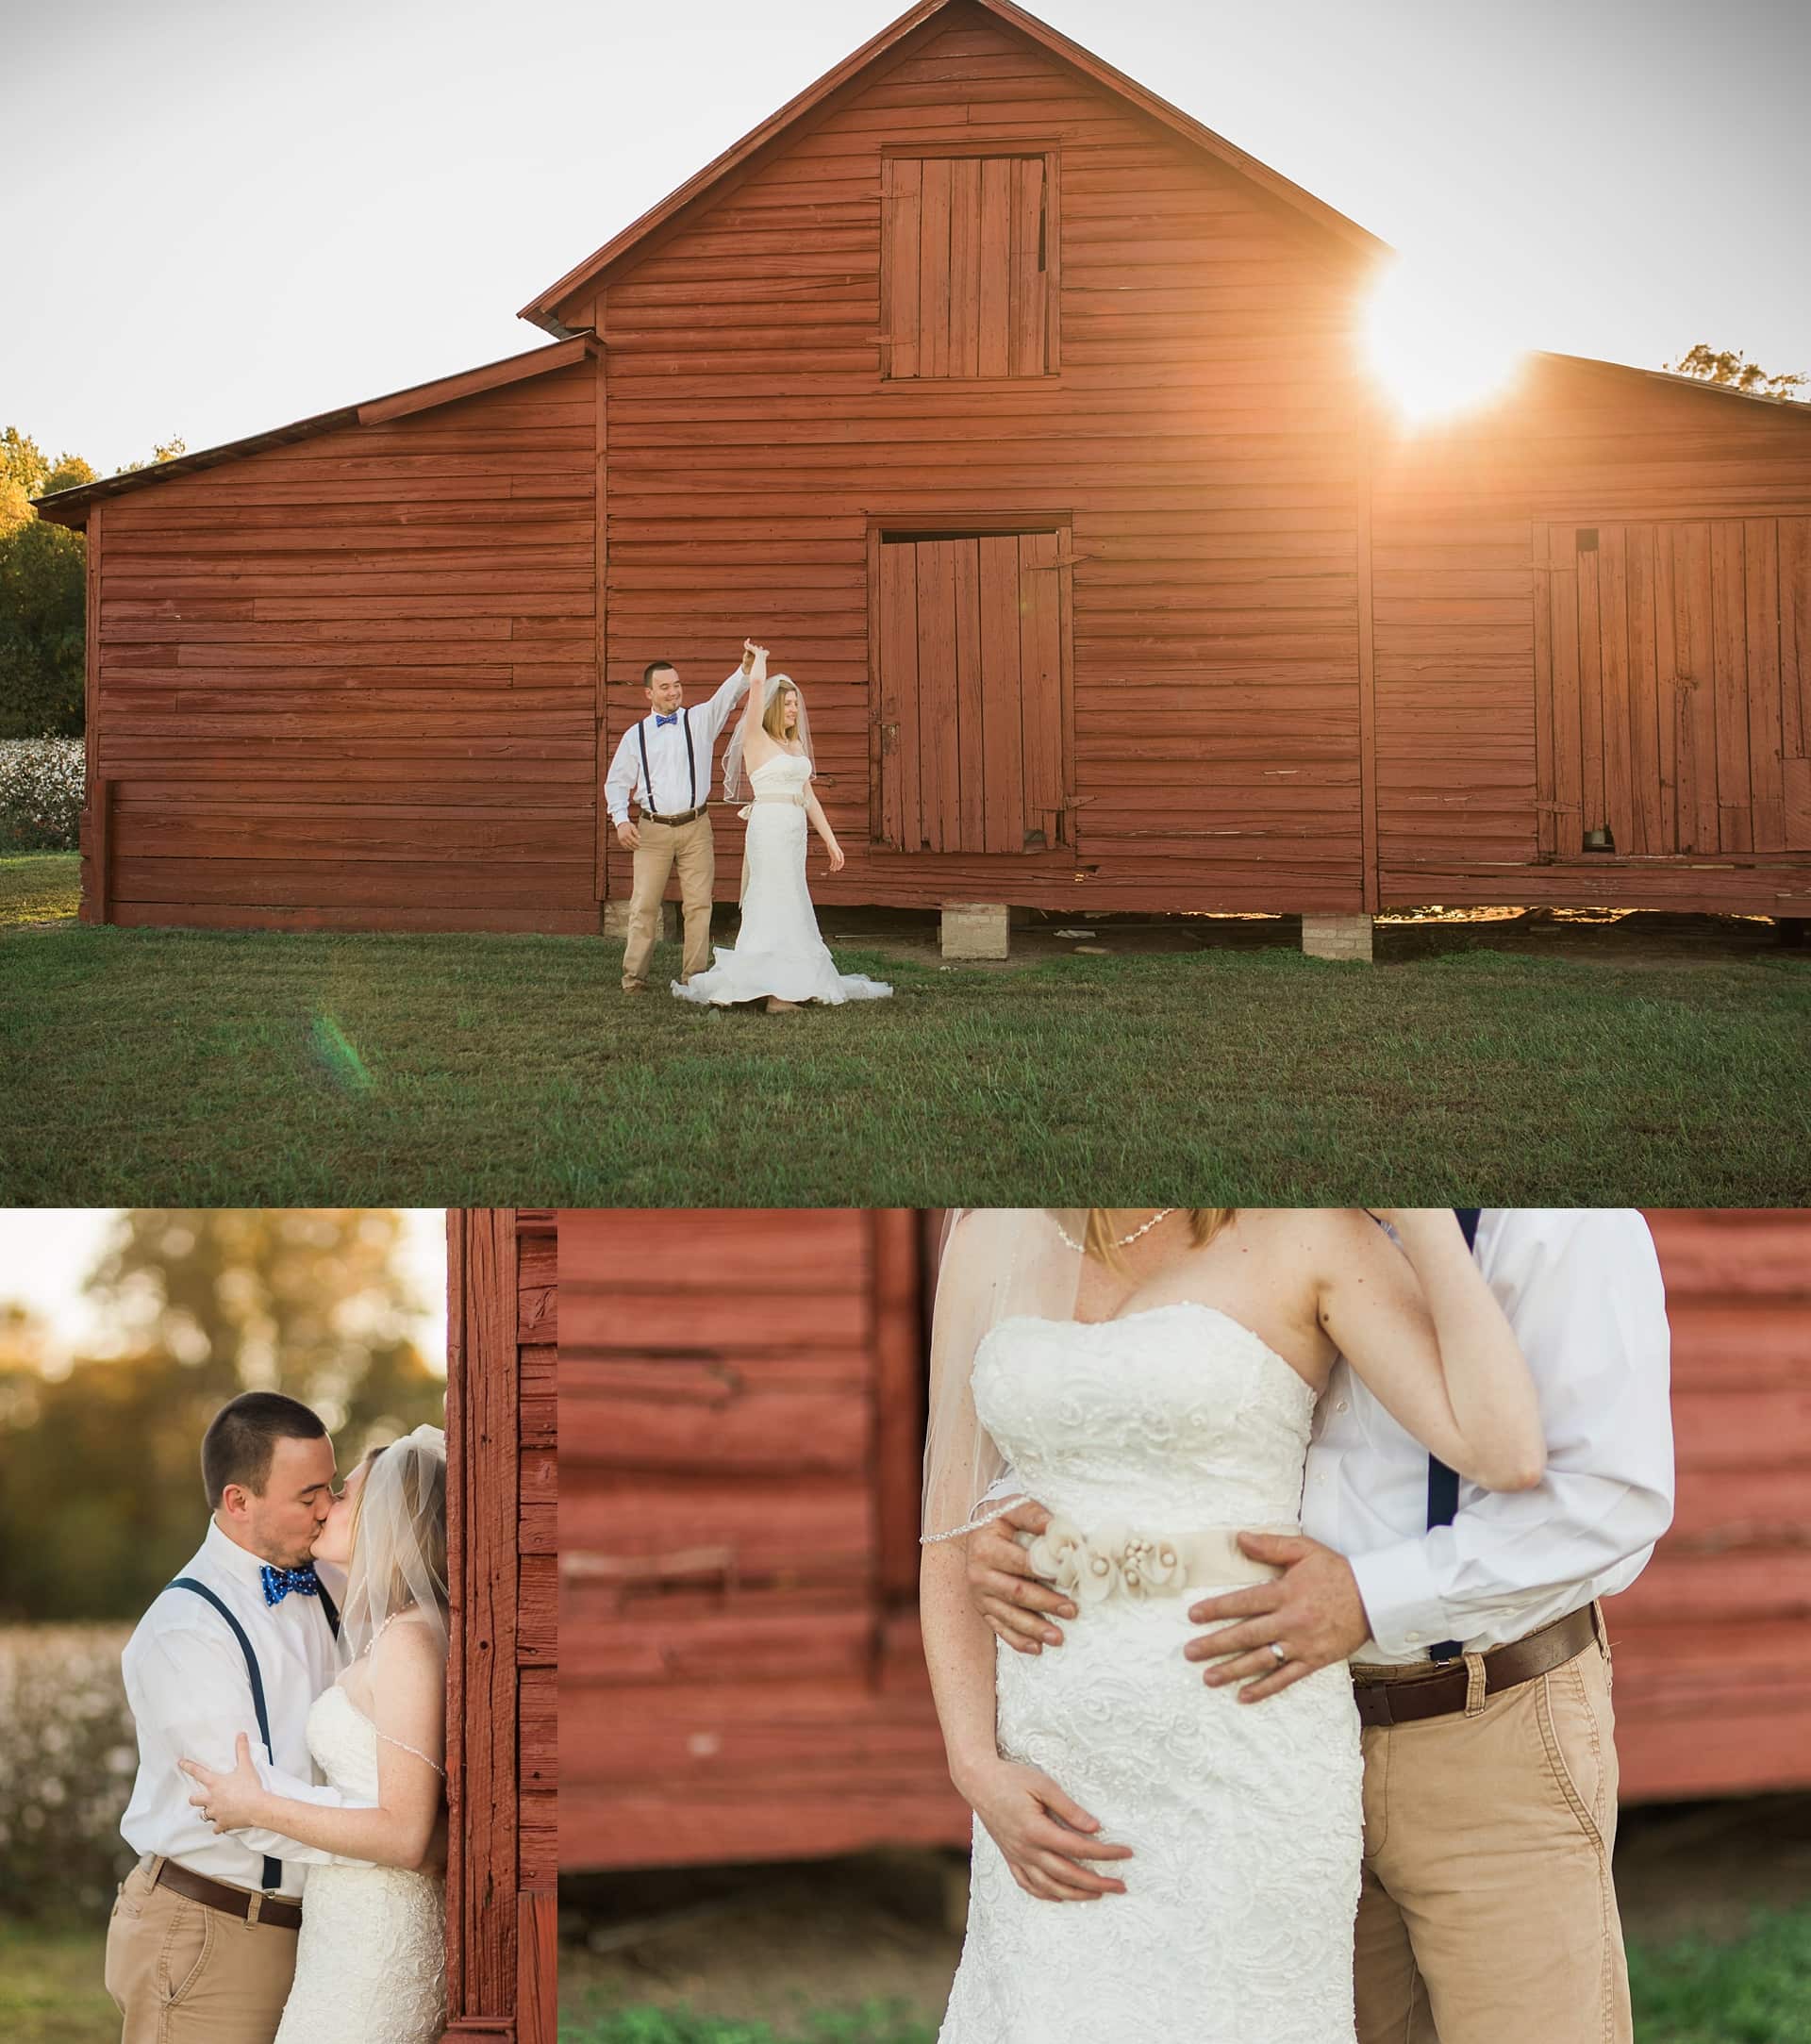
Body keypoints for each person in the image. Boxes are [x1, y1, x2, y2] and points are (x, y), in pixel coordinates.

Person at [965, 1207, 1674, 2044]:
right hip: (1280, 1738)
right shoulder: (1252, 1208)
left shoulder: (1557, 1221)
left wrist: (1371, 1596)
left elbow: (1608, 1498)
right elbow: (1176, 1456)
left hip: (1488, 1727)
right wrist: (1023, 1524)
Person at [106, 1391, 446, 2044]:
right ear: (239, 1501)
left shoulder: (347, 1584)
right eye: (309, 1494)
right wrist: (414, 1843)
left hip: (336, 1924)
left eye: (333, 1489)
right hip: (220, 1925)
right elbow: (244, 1804)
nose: (326, 1509)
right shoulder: (185, 1630)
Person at [673, 641, 892, 1011]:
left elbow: (809, 797)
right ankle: (774, 993)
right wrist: (759, 662)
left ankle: (789, 981)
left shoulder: (794, 746)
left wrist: (831, 841)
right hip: (770, 829)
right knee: (772, 899)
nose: (794, 709)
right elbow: (757, 690)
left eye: (796, 704)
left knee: (793, 898)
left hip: (794, 832)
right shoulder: (757, 739)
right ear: (774, 707)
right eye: (788, 704)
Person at [604, 647, 756, 992]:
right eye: (665, 687)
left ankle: (694, 979)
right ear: (649, 693)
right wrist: (620, 820)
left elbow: (726, 697)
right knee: (643, 906)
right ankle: (633, 979)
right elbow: (616, 782)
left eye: (677, 685)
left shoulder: (699, 720)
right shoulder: (636, 736)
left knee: (699, 905)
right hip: (651, 830)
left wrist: (744, 670)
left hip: (696, 827)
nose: (673, 692)